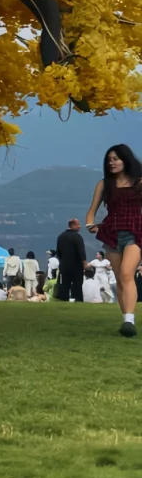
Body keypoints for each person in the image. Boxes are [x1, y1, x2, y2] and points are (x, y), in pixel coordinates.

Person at [86, 144, 142, 338]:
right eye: (109, 159)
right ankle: (126, 318)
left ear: (125, 160)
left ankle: (129, 320)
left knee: (127, 274)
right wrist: (90, 224)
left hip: (135, 232)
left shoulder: (139, 182)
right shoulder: (104, 184)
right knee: (119, 278)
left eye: (116, 159)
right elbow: (91, 211)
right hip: (111, 233)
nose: (112, 162)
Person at [54, 218, 86, 303]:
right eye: (78, 224)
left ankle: (64, 300)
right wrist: (84, 264)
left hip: (64, 265)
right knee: (77, 286)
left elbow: (58, 252)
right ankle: (78, 301)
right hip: (76, 266)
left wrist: (62, 261)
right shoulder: (77, 237)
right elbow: (81, 252)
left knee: (64, 285)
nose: (80, 226)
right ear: (73, 225)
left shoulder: (61, 236)